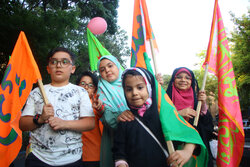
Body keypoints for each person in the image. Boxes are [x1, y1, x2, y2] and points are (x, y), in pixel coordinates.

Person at [113, 67, 207, 167]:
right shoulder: (125, 119)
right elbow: (119, 150)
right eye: (128, 89)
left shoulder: (163, 115)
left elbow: (191, 135)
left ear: (150, 87)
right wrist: (121, 163)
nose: (134, 93)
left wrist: (187, 151)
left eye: (140, 87)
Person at [19, 47, 95, 167]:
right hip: (38, 158)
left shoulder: (80, 92)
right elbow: (22, 124)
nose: (58, 65)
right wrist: (40, 119)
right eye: (54, 62)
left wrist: (64, 123)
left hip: (72, 159)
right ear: (48, 68)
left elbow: (90, 123)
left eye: (64, 62)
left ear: (73, 69)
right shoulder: (37, 92)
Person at [166, 67, 215, 167]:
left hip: (195, 155)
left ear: (192, 82)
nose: (183, 80)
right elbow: (159, 121)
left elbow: (207, 126)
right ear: (173, 80)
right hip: (171, 151)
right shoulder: (165, 100)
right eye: (179, 77)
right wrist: (178, 114)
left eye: (187, 78)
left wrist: (203, 104)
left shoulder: (198, 103)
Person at [97, 55, 134, 167]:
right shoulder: (101, 90)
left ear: (117, 66)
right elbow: (107, 116)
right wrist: (115, 116)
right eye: (102, 70)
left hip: (137, 131)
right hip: (115, 135)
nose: (107, 70)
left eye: (110, 66)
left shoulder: (131, 83)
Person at [76, 71, 103, 167]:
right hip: (71, 157)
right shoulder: (68, 103)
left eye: (90, 85)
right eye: (83, 84)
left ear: (95, 90)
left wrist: (100, 109)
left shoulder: (96, 104)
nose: (86, 87)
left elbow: (103, 114)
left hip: (93, 156)